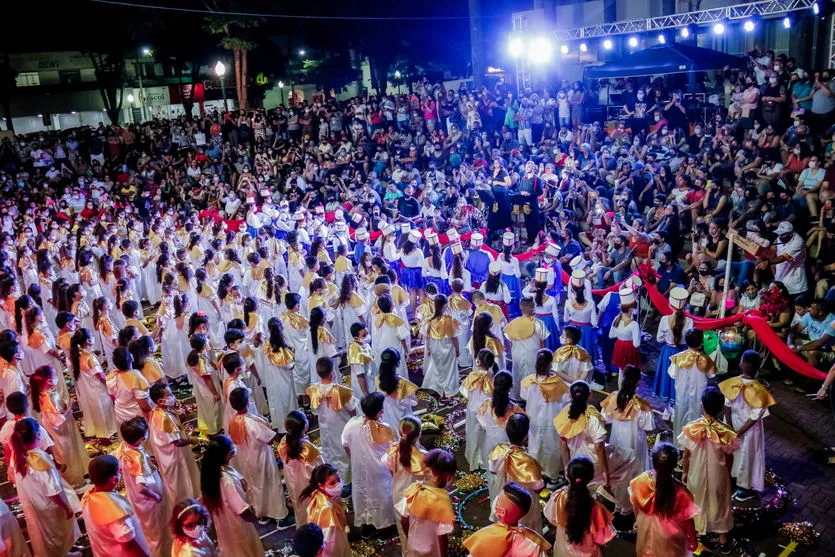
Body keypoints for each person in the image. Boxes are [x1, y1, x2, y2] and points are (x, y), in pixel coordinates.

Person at [554, 381, 639, 515]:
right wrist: (605, 472)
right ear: (590, 395)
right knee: (631, 457)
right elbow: (599, 447)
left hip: (575, 461)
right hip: (593, 461)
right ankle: (622, 505)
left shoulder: (566, 413)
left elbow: (563, 442)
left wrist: (566, 465)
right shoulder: (591, 418)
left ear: (570, 396)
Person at [679, 387, 740, 554]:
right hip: (718, 475)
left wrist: (685, 472)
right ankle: (724, 541)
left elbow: (686, 455)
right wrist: (727, 473)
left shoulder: (691, 428)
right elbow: (730, 457)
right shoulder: (726, 433)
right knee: (720, 504)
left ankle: (697, 536)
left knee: (696, 502)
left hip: (695, 474)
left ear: (701, 406)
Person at [10, 417, 82, 557]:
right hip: (48, 505)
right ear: (38, 434)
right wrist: (66, 507)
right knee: (55, 533)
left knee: (43, 534)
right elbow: (52, 491)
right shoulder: (39, 460)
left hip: (33, 503)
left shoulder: (18, 455)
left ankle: (60, 553)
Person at [227, 387, 294, 527]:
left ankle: (262, 513)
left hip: (246, 459)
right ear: (247, 403)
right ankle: (280, 516)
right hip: (261, 458)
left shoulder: (233, 422)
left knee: (255, 485)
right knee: (270, 483)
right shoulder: (251, 422)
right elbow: (269, 439)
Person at [719, 350, 776, 501]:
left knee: (732, 455)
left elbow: (727, 405)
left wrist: (730, 427)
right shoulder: (761, 391)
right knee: (747, 457)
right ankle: (742, 489)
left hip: (732, 425)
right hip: (748, 430)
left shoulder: (731, 383)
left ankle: (729, 483)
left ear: (740, 364)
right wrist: (739, 431)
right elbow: (755, 416)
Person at [200, 435, 266, 557]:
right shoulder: (226, 480)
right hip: (237, 524)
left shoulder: (213, 472)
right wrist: (254, 519)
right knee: (244, 550)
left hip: (224, 522)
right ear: (228, 454)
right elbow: (241, 509)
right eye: (232, 447)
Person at [342, 392, 397, 536]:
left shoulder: (352, 424)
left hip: (359, 468)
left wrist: (354, 459)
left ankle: (367, 527)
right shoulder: (385, 428)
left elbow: (345, 444)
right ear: (380, 412)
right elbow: (392, 452)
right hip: (380, 471)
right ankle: (385, 528)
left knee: (362, 495)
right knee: (382, 497)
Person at [630, 444, 700, 557]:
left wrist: (638, 522)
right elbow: (688, 522)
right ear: (675, 464)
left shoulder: (640, 481)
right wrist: (693, 541)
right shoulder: (681, 492)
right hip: (670, 538)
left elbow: (635, 504)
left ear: (652, 460)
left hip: (645, 529)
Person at [117, 417, 173, 557]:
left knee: (146, 528)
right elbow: (141, 487)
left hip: (135, 499)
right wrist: (156, 496)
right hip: (149, 501)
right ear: (142, 438)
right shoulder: (138, 458)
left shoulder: (124, 447)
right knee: (156, 531)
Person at [29, 364, 89, 490]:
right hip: (60, 431)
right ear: (48, 380)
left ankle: (78, 476)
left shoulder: (47, 393)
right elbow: (57, 420)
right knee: (66, 452)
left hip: (62, 427)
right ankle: (74, 482)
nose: (56, 376)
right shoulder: (47, 397)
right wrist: (70, 409)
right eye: (53, 375)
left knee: (69, 450)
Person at [544, 456, 616, 557]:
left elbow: (551, 517)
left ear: (567, 475)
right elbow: (602, 538)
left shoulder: (559, 497)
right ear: (591, 477)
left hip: (562, 550)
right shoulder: (596, 508)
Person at [82, 454, 150, 557]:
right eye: (119, 471)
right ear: (115, 479)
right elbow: (129, 546)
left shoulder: (87, 496)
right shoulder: (113, 511)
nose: (121, 472)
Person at [487, 413, 545, 532]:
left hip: (506, 496)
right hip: (523, 502)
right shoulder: (528, 461)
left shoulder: (499, 450)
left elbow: (493, 470)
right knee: (525, 525)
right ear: (525, 438)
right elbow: (538, 487)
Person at [396, 448, 457, 557]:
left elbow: (403, 519)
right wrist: (443, 554)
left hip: (413, 545)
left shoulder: (414, 489)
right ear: (447, 475)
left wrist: (410, 538)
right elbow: (442, 534)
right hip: (432, 548)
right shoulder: (442, 499)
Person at [147, 383, 202, 504]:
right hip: (174, 457)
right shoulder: (164, 418)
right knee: (182, 483)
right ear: (161, 401)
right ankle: (187, 505)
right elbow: (177, 441)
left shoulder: (157, 412)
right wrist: (192, 440)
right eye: (170, 395)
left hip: (167, 456)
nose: (173, 396)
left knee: (178, 482)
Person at [463, 482, 551, 557]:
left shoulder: (485, 537)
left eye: (498, 500)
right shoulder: (533, 543)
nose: (496, 500)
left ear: (502, 512)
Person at [519, 349, 568, 482]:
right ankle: (551, 473)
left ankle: (535, 469)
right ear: (550, 364)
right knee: (551, 445)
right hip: (550, 419)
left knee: (534, 444)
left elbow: (523, 396)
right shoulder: (556, 383)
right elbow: (566, 398)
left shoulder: (528, 381)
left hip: (532, 418)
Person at [307, 356, 357, 483]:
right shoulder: (341, 391)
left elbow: (314, 410)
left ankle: (332, 478)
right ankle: (346, 481)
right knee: (343, 453)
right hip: (341, 427)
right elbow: (352, 410)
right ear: (332, 372)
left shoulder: (314, 390)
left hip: (325, 427)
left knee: (330, 451)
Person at [600, 365, 654, 471]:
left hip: (617, 438)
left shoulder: (613, 398)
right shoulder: (642, 405)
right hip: (635, 441)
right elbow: (648, 426)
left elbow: (604, 419)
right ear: (638, 382)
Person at [277, 410, 324, 526]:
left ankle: (302, 527)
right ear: (306, 427)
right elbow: (321, 470)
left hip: (292, 483)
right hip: (308, 485)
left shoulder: (283, 443)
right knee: (312, 509)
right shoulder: (307, 450)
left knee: (299, 506)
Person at [670, 329, 717, 443]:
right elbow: (712, 374)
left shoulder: (678, 358)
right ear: (701, 342)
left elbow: (672, 374)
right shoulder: (705, 359)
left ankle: (680, 443)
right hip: (699, 396)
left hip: (682, 394)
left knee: (680, 417)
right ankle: (696, 444)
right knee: (698, 419)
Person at [506, 297, 551, 399]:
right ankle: (532, 398)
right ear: (532, 308)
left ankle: (518, 397)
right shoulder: (538, 323)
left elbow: (510, 341)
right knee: (533, 376)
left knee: (517, 375)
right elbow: (543, 343)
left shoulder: (514, 323)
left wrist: (514, 352)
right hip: (534, 354)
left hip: (517, 353)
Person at [302, 463, 351, 557]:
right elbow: (331, 544)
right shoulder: (328, 511)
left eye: (338, 480)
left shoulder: (319, 493)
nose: (338, 485)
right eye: (332, 483)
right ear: (321, 485)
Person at [460, 349, 496, 471]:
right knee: (486, 435)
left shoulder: (472, 376)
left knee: (473, 433)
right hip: (487, 411)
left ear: (478, 361)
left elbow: (464, 392)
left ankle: (473, 459)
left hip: (473, 410)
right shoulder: (494, 378)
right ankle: (485, 459)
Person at [654, 288, 693, 402]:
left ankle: (667, 410)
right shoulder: (690, 321)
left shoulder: (665, 319)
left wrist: (668, 338)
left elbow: (659, 339)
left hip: (668, 352)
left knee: (667, 378)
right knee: (681, 380)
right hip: (683, 353)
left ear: (670, 304)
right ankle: (676, 407)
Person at [420, 294, 461, 399]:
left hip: (434, 347)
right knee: (449, 369)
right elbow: (454, 337)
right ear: (445, 305)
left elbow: (427, 337)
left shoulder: (429, 320)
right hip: (447, 346)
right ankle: (449, 390)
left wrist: (428, 348)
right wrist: (457, 348)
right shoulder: (450, 319)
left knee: (438, 367)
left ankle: (438, 387)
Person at [185, 333, 223, 436]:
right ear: (202, 346)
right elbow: (207, 378)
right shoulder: (200, 359)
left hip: (201, 387)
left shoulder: (195, 356)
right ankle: (214, 430)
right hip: (208, 388)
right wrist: (215, 393)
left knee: (207, 408)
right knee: (212, 409)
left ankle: (210, 427)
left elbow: (213, 367)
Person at [377, 348, 419, 429]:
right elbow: (415, 402)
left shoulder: (378, 381)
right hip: (403, 419)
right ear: (397, 363)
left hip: (387, 419)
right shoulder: (402, 383)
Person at [347, 322, 376, 398]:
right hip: (363, 388)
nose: (367, 336)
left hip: (371, 380)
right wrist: (367, 395)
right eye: (364, 335)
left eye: (367, 333)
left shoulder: (365, 344)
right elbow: (360, 376)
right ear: (356, 338)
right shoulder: (355, 352)